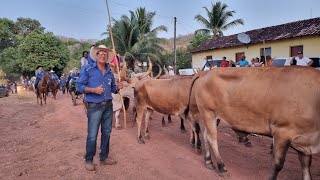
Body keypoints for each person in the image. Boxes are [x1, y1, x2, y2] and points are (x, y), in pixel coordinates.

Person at [76, 45, 123, 171]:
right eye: (100, 53)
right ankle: (89, 159)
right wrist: (93, 90)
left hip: (108, 105)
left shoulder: (109, 72)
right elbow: (79, 86)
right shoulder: (88, 69)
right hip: (94, 106)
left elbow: (113, 89)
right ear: (96, 56)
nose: (103, 55)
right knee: (92, 134)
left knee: (107, 132)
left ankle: (104, 158)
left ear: (107, 57)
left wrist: (118, 87)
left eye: (105, 54)